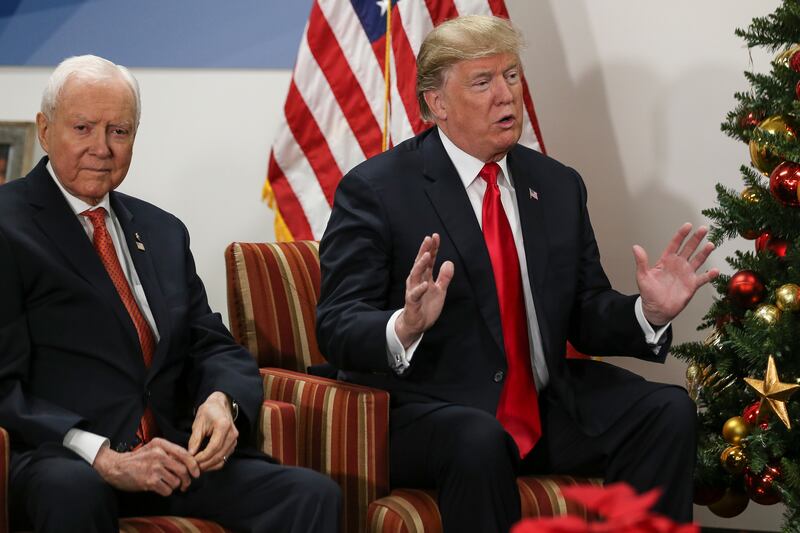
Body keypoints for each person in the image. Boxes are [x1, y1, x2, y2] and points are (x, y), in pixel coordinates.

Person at [317, 15, 718, 533]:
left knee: (666, 410)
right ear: (437, 103)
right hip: (429, 408)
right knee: (478, 438)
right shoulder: (377, 189)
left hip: (542, 403)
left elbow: (584, 311)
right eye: (482, 82)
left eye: (511, 76)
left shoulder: (557, 184)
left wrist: (648, 313)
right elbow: (337, 323)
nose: (506, 95)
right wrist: (404, 325)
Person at [0, 55, 340, 533]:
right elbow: (4, 386)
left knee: (310, 495)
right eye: (82, 128)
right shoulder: (9, 224)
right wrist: (101, 454)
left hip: (171, 453)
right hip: (62, 456)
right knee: (72, 491)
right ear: (44, 129)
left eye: (119, 131)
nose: (102, 148)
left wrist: (222, 400)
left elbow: (212, 344)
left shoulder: (161, 231)